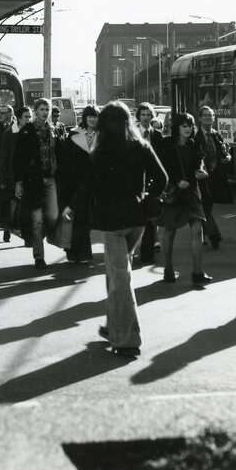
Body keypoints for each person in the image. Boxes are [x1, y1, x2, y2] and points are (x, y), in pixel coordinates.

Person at [63, 101, 166, 358]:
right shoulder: (141, 146)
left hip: (112, 223)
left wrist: (71, 207)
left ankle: (128, 339)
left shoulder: (102, 152)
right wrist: (148, 197)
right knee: (116, 272)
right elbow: (162, 179)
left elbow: (89, 186)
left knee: (121, 278)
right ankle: (112, 326)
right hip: (137, 220)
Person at [157, 112, 212, 285]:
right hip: (174, 192)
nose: (188, 129)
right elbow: (161, 168)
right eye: (184, 126)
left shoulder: (195, 144)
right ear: (177, 128)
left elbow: (200, 164)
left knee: (197, 229)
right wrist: (175, 181)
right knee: (170, 230)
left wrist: (202, 173)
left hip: (192, 192)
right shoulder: (167, 144)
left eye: (190, 126)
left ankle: (197, 272)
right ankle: (168, 269)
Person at [13, 98, 61, 268]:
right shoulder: (27, 131)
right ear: (35, 111)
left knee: (53, 216)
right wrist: (19, 182)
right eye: (41, 109)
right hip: (33, 180)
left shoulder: (54, 129)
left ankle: (36, 236)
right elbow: (18, 158)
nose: (45, 113)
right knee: (37, 219)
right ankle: (39, 256)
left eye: (47, 110)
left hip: (51, 178)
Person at [56, 105, 100, 263]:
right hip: (76, 183)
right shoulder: (74, 134)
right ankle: (76, 253)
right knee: (79, 219)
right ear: (85, 118)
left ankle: (80, 253)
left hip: (94, 184)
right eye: (90, 116)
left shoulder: (102, 135)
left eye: (95, 116)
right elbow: (66, 159)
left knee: (87, 219)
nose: (92, 119)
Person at [196, 106, 233, 249]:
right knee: (205, 206)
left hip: (214, 177)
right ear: (200, 118)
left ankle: (204, 232)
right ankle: (214, 234)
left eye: (210, 115)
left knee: (208, 207)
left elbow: (222, 154)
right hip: (200, 177)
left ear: (214, 118)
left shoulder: (217, 135)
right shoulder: (195, 136)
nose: (208, 118)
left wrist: (227, 157)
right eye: (205, 115)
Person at [134, 102, 164, 264]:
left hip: (152, 182)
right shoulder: (131, 133)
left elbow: (161, 159)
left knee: (151, 219)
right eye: (143, 115)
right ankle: (131, 250)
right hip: (136, 181)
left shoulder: (157, 135)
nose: (145, 118)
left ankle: (147, 254)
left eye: (148, 115)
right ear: (138, 116)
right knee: (136, 218)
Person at [0, 107, 31, 244]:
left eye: (30, 117)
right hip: (12, 176)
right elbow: (3, 158)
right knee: (12, 206)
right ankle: (7, 229)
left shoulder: (32, 132)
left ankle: (27, 236)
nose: (28, 120)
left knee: (26, 207)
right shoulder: (9, 133)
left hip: (28, 175)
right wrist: (2, 179)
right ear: (18, 118)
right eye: (26, 117)